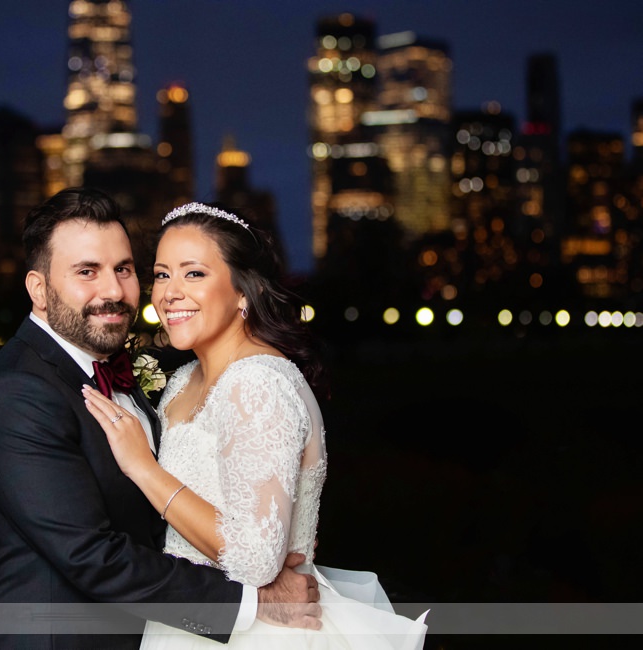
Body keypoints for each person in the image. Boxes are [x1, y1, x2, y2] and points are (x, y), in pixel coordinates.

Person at [0, 188, 321, 650]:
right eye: (87, 272)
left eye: (123, 269)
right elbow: (91, 556)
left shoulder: (158, 378)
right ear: (39, 290)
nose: (112, 291)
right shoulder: (18, 394)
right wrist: (253, 603)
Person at [83, 202, 429, 649]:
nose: (168, 292)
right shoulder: (184, 380)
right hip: (195, 621)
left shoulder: (258, 383)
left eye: (194, 274)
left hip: (261, 634)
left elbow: (254, 559)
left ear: (243, 291)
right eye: (162, 274)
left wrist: (143, 468)